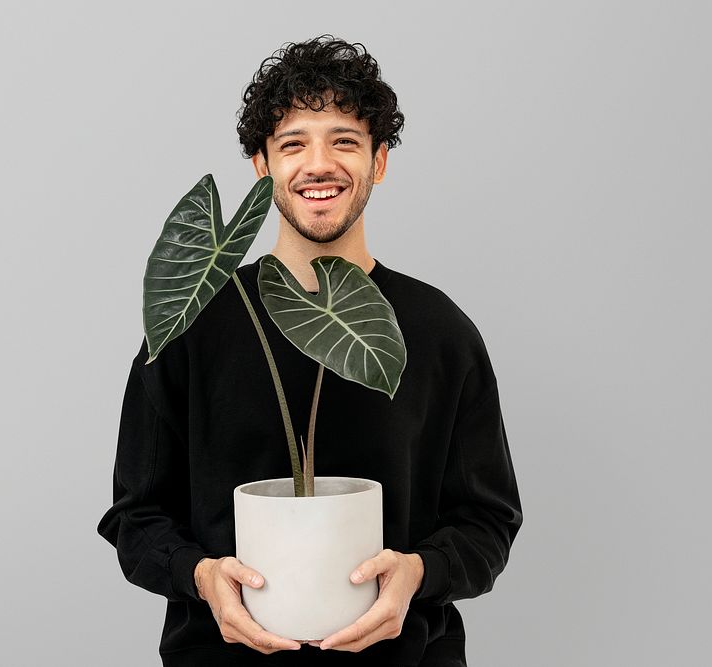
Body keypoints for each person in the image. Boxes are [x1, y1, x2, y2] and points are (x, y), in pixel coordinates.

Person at [97, 35, 523, 666]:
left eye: (344, 141)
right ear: (261, 166)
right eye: (293, 143)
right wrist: (200, 577)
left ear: (380, 161)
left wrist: (420, 572)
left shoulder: (439, 331)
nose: (318, 164)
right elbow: (135, 516)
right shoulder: (193, 321)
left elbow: (488, 521)